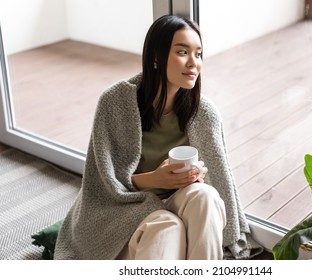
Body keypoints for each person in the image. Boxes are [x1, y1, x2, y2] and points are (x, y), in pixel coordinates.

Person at [54, 15, 262, 260]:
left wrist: (193, 177)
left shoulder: (204, 114)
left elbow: (221, 183)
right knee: (167, 227)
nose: (193, 63)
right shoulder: (115, 103)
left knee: (206, 196)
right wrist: (156, 179)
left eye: (198, 54)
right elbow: (100, 185)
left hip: (178, 203)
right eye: (183, 52)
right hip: (126, 211)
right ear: (155, 58)